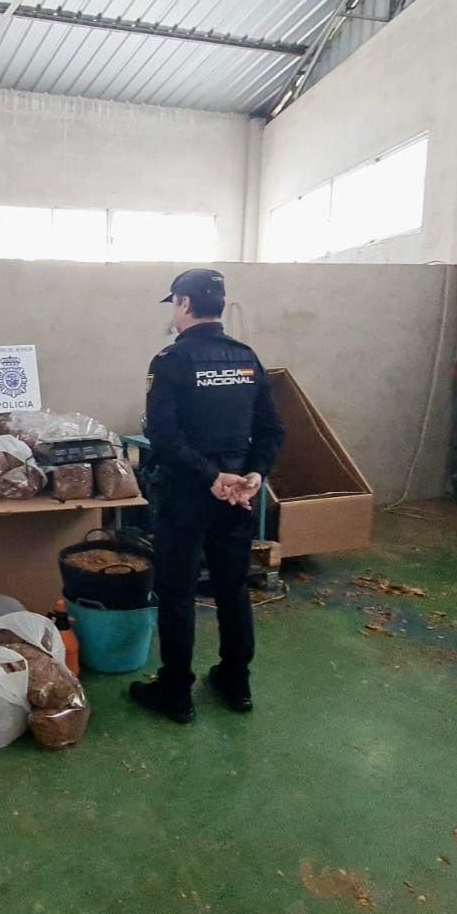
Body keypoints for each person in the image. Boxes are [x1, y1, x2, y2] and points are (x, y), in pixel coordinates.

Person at [130, 270, 284, 724]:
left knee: (177, 590)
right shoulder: (246, 358)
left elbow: (163, 437)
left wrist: (210, 477)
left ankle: (176, 693)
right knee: (232, 586)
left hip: (187, 494)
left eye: (175, 305)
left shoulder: (171, 360)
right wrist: (253, 475)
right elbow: (272, 430)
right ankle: (236, 682)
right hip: (237, 496)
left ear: (183, 303)